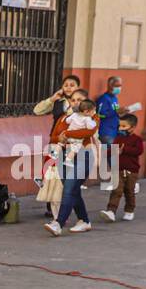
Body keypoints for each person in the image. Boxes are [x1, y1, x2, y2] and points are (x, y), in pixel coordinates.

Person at [44, 96, 98, 236]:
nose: (76, 103)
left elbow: (88, 132)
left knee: (69, 189)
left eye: (80, 100)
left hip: (83, 155)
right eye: (73, 100)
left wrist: (66, 134)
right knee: (73, 190)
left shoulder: (93, 116)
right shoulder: (63, 118)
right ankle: (84, 221)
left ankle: (58, 223)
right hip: (64, 155)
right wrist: (59, 138)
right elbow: (53, 137)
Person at [34, 75, 82, 218]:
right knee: (50, 172)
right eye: (66, 84)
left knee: (66, 176)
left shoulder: (82, 102)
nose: (68, 87)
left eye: (72, 85)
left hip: (73, 144)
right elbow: (37, 110)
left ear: (78, 87)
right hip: (55, 142)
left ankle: (65, 207)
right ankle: (51, 204)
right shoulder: (58, 101)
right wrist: (52, 99)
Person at [101, 113, 144, 222]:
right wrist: (109, 152)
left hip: (131, 171)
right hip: (118, 169)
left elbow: (139, 151)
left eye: (124, 126)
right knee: (116, 190)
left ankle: (129, 210)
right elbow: (112, 150)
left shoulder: (137, 140)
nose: (121, 128)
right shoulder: (118, 138)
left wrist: (124, 150)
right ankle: (111, 211)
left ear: (133, 127)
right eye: (120, 126)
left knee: (129, 192)